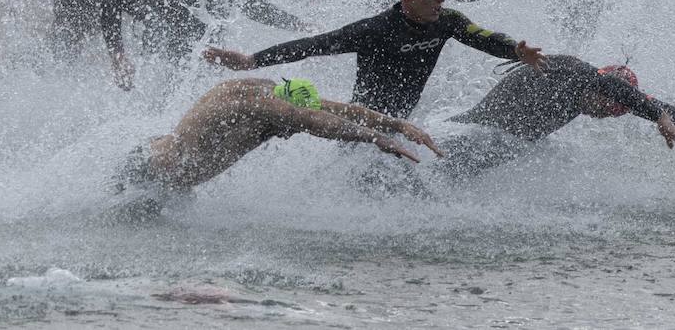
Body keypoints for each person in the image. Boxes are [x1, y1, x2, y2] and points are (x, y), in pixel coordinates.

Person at [204, 0, 547, 118]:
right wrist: (252, 60)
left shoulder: (447, 21)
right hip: (363, 122)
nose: (442, 0)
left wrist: (515, 52)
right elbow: (312, 46)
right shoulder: (376, 30)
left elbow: (483, 37)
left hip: (398, 123)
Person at [109, 77, 438, 204]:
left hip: (173, 183)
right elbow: (311, 119)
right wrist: (377, 139)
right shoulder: (254, 105)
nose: (291, 133)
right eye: (290, 125)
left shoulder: (275, 94)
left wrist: (397, 125)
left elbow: (335, 109)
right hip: (151, 170)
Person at [446, 57, 675, 175]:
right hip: (467, 136)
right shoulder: (570, 72)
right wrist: (655, 114)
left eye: (615, 115)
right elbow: (610, 85)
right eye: (607, 109)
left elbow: (651, 103)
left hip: (497, 145)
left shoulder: (591, 86)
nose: (604, 117)